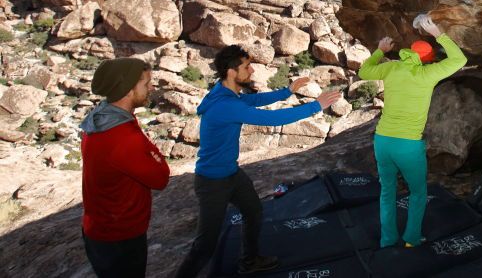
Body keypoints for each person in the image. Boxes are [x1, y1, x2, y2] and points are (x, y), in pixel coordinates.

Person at [175, 44, 341, 277]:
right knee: (205, 245)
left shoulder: (224, 92)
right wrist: (316, 106)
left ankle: (250, 260)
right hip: (213, 182)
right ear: (232, 72)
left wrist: (287, 91)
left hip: (231, 174)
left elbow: (253, 102)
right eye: (246, 66)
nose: (252, 71)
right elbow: (272, 119)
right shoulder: (226, 105)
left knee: (253, 211)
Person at [358, 16, 467, 248]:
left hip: (382, 140)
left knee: (387, 191)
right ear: (427, 60)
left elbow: (364, 72)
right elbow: (460, 59)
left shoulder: (391, 67)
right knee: (417, 193)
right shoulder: (427, 74)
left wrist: (379, 51)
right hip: (407, 145)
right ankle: (411, 239)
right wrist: (438, 34)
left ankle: (387, 240)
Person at [80, 57, 170, 278]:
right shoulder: (122, 136)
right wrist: (155, 154)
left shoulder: (101, 118)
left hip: (101, 228)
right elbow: (161, 177)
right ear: (128, 89)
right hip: (119, 235)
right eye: (146, 82)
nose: (151, 87)